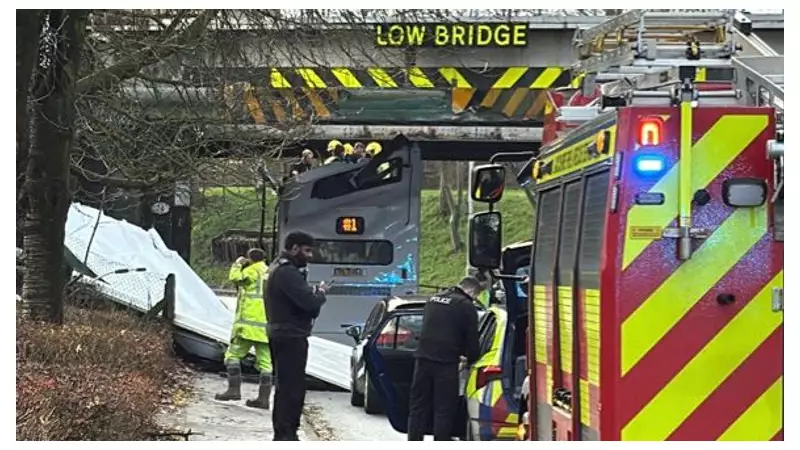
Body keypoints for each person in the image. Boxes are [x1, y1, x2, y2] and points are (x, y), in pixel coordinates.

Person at [265, 231, 329, 441]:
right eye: (307, 250)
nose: (310, 255)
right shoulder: (287, 272)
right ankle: (286, 434)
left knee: (288, 386)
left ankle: (286, 432)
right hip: (290, 334)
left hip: (283, 332)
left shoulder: (280, 268)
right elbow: (309, 303)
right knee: (291, 388)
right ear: (294, 248)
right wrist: (320, 293)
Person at [407, 276, 483, 441]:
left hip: (422, 360)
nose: (475, 298)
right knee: (443, 409)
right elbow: (472, 339)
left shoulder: (433, 299)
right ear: (470, 290)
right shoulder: (465, 306)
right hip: (445, 364)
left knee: (418, 407)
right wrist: (471, 359)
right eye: (476, 295)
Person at [215, 248, 273, 409]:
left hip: (248, 324)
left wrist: (237, 264)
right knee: (266, 363)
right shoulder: (269, 272)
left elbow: (235, 278)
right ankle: (263, 399)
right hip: (266, 326)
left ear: (250, 258)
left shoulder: (251, 271)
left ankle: (233, 390)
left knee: (232, 356)